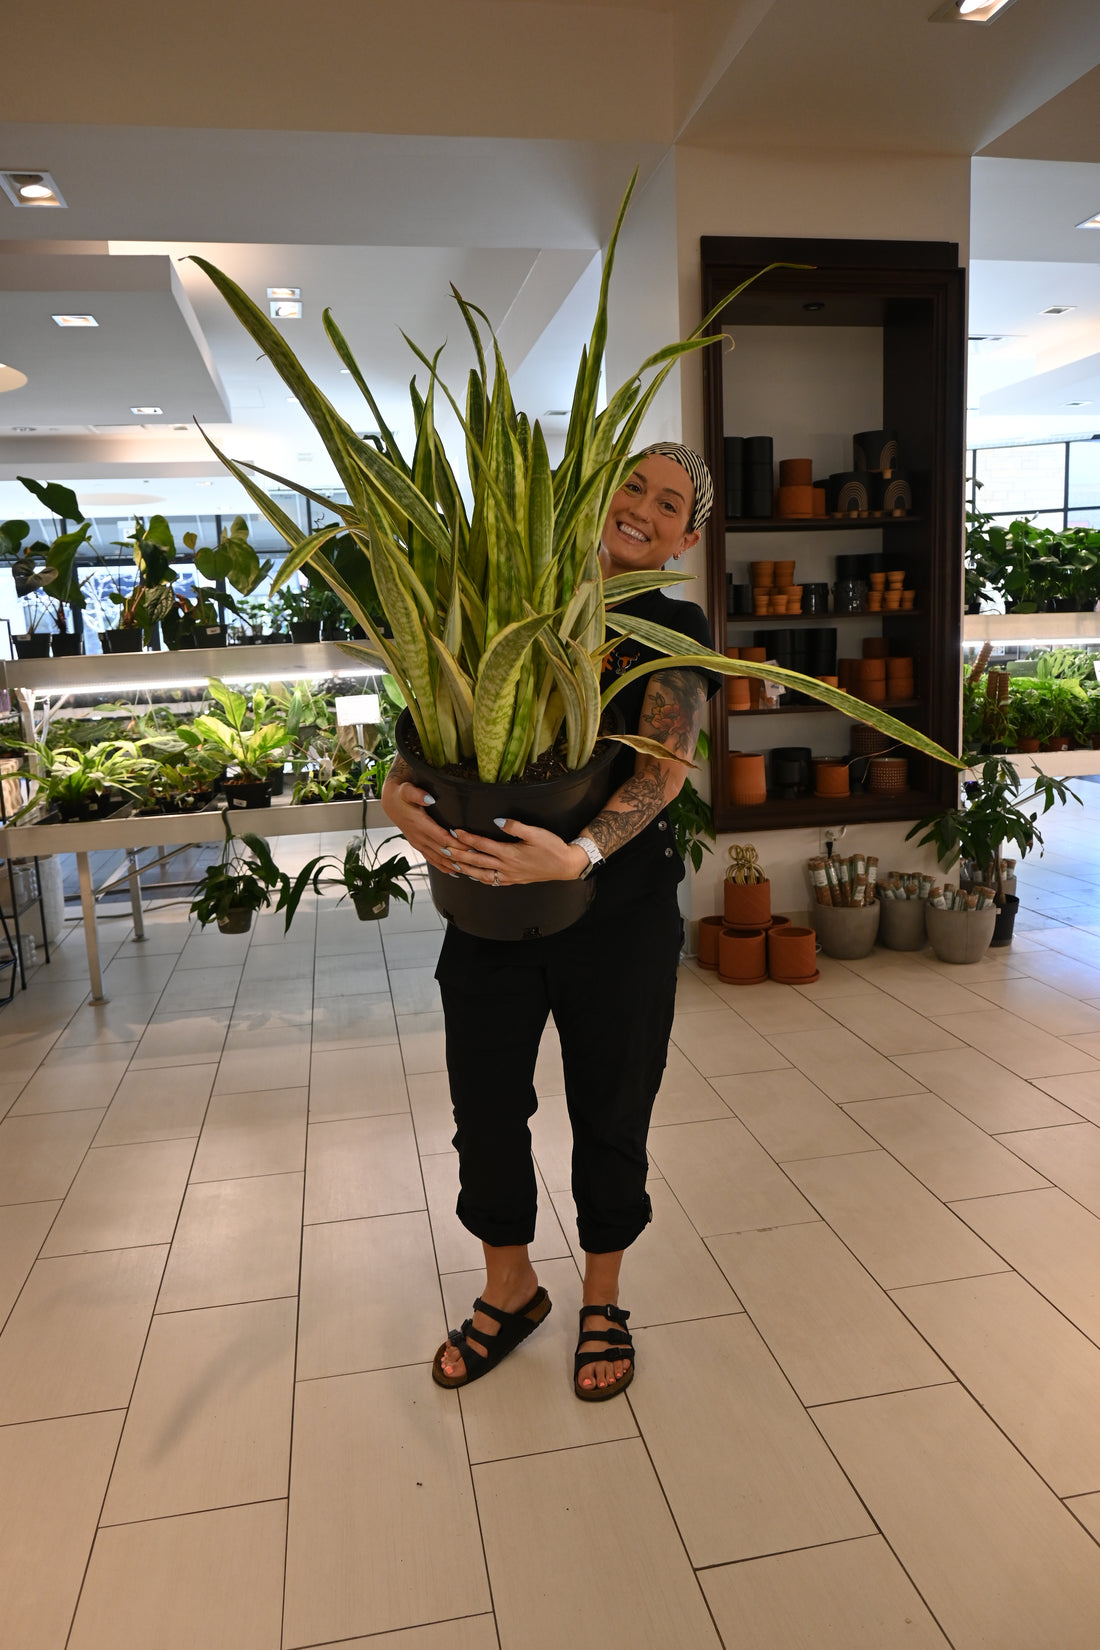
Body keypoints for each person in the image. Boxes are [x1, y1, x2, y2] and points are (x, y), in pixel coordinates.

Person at [381, 442, 720, 1400]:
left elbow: (662, 768)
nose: (642, 509)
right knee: (485, 1104)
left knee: (613, 1103)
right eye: (631, 486)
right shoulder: (515, 599)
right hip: (489, 902)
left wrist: (580, 854)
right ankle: (511, 1285)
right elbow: (436, 718)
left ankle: (603, 1295)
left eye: (667, 503)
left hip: (619, 908)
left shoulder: (672, 625)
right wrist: (394, 793)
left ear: (685, 536)